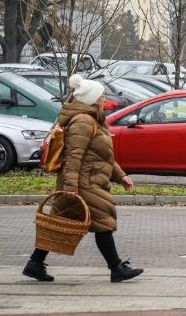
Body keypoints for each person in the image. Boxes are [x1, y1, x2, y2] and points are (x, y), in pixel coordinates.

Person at [23, 75, 144, 283]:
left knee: (59, 222)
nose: (104, 99)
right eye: (101, 96)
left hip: (88, 180)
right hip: (84, 182)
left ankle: (34, 263)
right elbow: (73, 156)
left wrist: (121, 175)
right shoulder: (83, 121)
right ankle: (116, 268)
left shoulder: (93, 119)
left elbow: (101, 155)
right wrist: (71, 186)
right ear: (92, 99)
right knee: (103, 221)